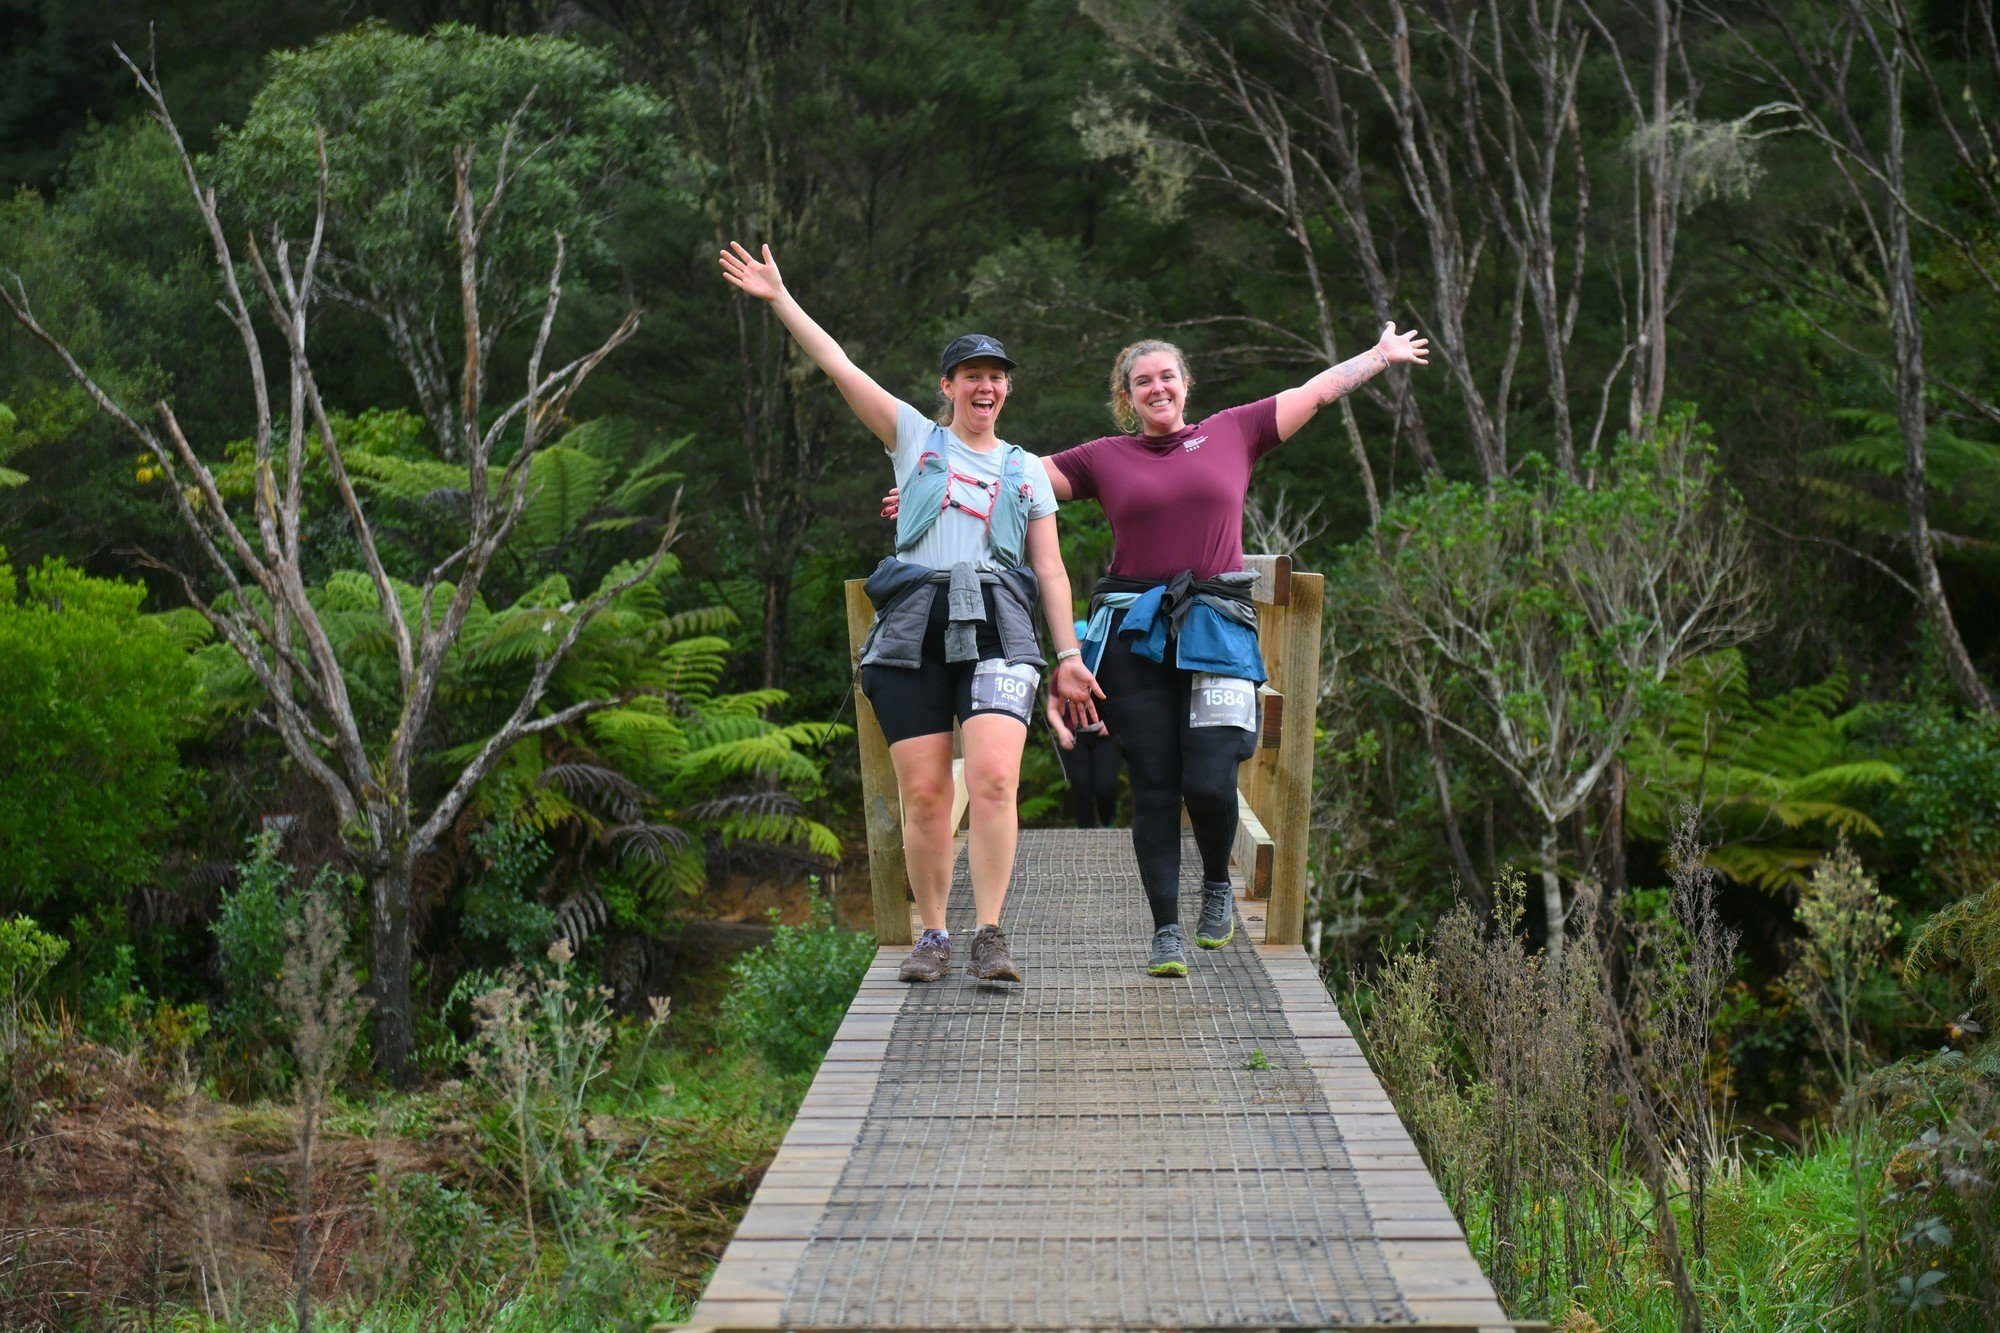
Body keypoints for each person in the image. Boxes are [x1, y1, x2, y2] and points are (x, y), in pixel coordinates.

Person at [886, 327, 1428, 975]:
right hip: (1138, 633)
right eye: (1143, 380)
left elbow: (1315, 392)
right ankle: (1165, 931)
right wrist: (922, 491)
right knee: (1152, 784)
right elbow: (1005, 478)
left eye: (1167, 375)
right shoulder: (1104, 457)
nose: (1158, 386)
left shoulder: (1236, 430)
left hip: (1218, 624)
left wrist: (1378, 357)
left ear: (1185, 383)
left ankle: (1219, 885)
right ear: (1127, 396)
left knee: (1209, 775)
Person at [719, 242, 1101, 985]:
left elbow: (1049, 566)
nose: (985, 387)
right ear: (948, 386)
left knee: (992, 778)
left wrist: (1070, 654)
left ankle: (990, 930)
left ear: (1005, 390)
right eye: (972, 376)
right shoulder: (916, 441)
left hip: (998, 625)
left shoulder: (1027, 471)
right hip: (915, 623)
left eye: (996, 378)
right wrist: (781, 299)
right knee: (924, 791)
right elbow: (840, 367)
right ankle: (933, 931)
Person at [1055, 619, 1122, 828]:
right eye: (1079, 641)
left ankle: (1108, 823)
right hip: (1077, 736)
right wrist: (1061, 731)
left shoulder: (1107, 666)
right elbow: (1052, 707)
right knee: (1082, 788)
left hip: (1104, 736)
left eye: (1086, 640)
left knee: (1106, 787)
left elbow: (1122, 699)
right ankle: (1085, 833)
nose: (1083, 645)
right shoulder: (1063, 671)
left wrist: (1112, 721)